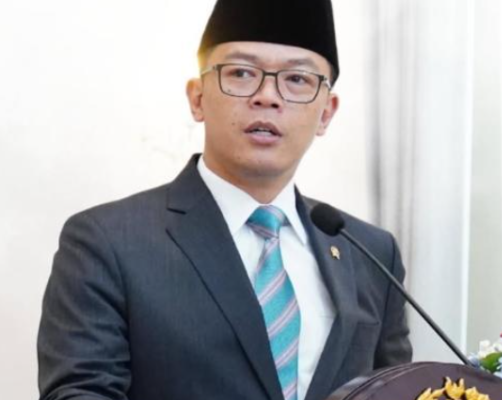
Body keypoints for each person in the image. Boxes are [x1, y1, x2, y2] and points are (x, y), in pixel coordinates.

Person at [36, 1, 412, 399]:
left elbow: (398, 389)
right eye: (241, 73)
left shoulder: (370, 253)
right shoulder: (108, 241)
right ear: (197, 98)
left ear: (326, 113)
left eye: (297, 79)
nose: (268, 97)